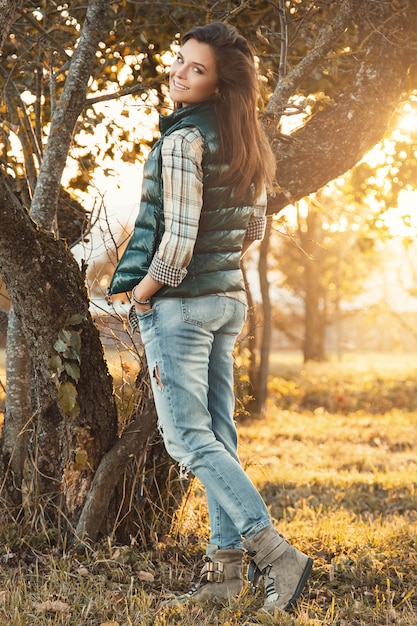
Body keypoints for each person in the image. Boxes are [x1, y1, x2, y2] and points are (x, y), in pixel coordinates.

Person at [108, 21, 313, 613]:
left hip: (180, 307)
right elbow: (252, 229)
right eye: (180, 61)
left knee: (188, 441)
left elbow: (174, 245)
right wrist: (216, 270)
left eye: (196, 69)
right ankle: (225, 574)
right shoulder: (247, 139)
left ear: (219, 85)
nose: (178, 72)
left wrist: (141, 295)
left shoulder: (181, 142)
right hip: (227, 303)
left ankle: (277, 554)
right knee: (219, 435)